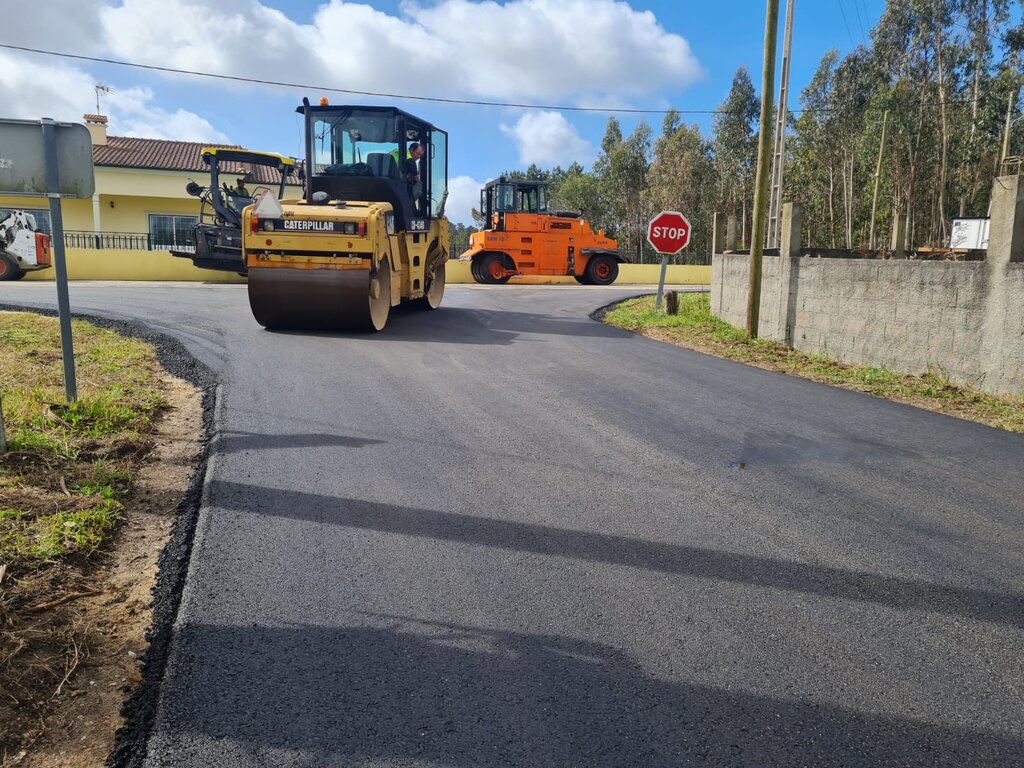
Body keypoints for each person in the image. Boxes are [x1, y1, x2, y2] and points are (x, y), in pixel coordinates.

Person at [402, 142, 425, 208]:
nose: (419, 157)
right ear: (412, 150)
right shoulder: (411, 161)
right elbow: (417, 180)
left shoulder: (397, 152)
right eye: (418, 154)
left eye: (420, 155)